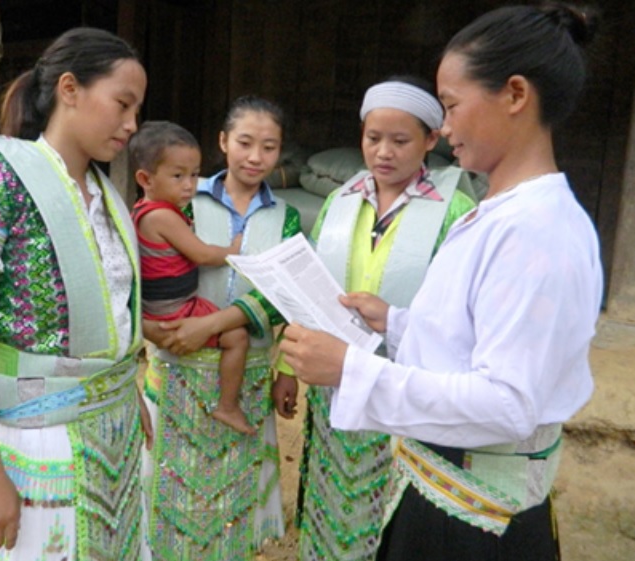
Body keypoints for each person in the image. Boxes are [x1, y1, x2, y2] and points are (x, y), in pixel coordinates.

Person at [280, 3, 603, 560]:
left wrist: (353, 370)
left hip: (475, 525)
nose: (446, 126)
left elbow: (507, 402)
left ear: (516, 95)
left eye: (451, 106)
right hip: (439, 492)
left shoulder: (537, 231)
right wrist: (398, 324)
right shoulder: (503, 211)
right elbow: (476, 337)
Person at [0, 28, 153, 561]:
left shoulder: (105, 196)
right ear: (70, 89)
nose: (132, 124)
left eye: (137, 109)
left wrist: (123, 389)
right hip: (39, 445)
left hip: (113, 434)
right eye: (122, 103)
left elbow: (109, 313)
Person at [279, 76, 476, 561]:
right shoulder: (340, 200)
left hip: (405, 388)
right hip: (334, 386)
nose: (383, 152)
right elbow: (314, 287)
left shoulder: (457, 211)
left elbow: (460, 314)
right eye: (373, 138)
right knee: (330, 496)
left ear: (432, 140)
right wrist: (288, 368)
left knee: (390, 510)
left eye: (400, 140)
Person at [140, 96, 302, 560]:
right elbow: (147, 268)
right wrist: (151, 327)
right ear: (223, 142)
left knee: (233, 496)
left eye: (269, 147)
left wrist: (282, 363)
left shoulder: (285, 217)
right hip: (177, 365)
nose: (256, 157)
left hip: (245, 373)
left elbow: (285, 294)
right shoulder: (183, 199)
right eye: (245, 142)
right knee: (169, 491)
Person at [129, 121, 255, 435]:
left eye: (194, 175)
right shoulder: (163, 216)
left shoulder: (143, 210)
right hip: (175, 311)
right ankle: (227, 406)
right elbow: (201, 254)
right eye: (178, 175)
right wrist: (232, 251)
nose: (189, 185)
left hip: (156, 310)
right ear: (145, 178)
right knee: (237, 337)